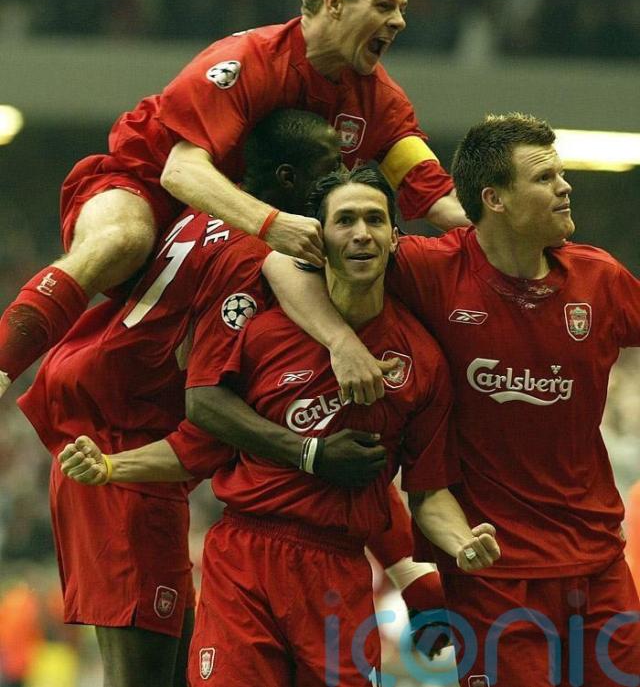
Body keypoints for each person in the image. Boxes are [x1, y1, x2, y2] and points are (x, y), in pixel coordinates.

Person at [17, 112, 446, 687]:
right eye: (330, 172)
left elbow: (356, 461)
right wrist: (335, 367)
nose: (340, 175)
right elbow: (207, 408)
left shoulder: (207, 214)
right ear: (289, 181)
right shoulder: (259, 273)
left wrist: (412, 575)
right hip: (121, 438)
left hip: (121, 426)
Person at [262, 113, 640, 686]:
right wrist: (341, 342)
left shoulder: (601, 280)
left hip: (599, 560)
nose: (565, 188)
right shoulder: (429, 268)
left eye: (561, 175)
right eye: (545, 178)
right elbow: (279, 262)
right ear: (494, 199)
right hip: (492, 568)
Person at [0, 0, 468, 400]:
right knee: (119, 240)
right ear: (334, 3)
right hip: (145, 183)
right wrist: (272, 225)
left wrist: (507, 220)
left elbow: (438, 199)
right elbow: (180, 171)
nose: (399, 20)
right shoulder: (247, 61)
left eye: (401, 8)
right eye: (384, 5)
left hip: (237, 232)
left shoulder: (382, 102)